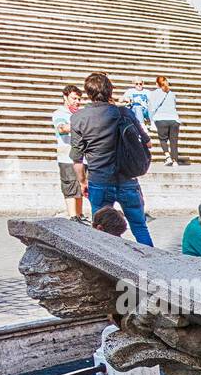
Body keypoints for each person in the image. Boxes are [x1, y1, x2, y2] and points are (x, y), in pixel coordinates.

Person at [70, 72, 153, 246]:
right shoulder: (125, 113)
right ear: (109, 91)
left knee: (101, 230)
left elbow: (77, 159)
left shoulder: (78, 118)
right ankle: (152, 265)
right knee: (139, 226)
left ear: (88, 93)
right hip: (127, 178)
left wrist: (83, 182)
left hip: (99, 179)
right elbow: (148, 143)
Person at [53, 84, 87, 221]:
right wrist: (84, 124)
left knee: (81, 187)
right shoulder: (59, 113)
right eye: (74, 98)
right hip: (66, 156)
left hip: (82, 157)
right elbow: (62, 128)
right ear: (65, 97)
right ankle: (73, 216)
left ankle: (80, 215)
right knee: (70, 186)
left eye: (79, 99)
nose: (77, 102)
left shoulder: (81, 114)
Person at [148, 76, 183, 166]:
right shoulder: (172, 93)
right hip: (174, 119)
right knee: (173, 141)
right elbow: (174, 105)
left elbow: (152, 108)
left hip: (161, 119)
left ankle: (167, 157)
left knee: (163, 139)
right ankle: (175, 161)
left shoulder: (154, 93)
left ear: (157, 84)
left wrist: (151, 119)